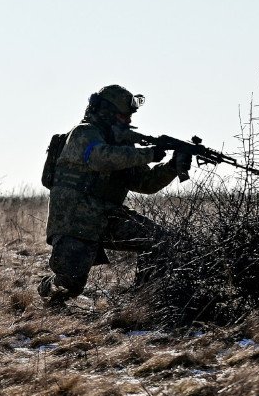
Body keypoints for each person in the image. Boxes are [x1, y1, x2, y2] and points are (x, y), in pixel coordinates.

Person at [39, 85, 192, 306]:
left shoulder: (122, 145)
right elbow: (100, 158)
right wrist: (149, 153)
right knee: (69, 284)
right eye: (123, 115)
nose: (128, 120)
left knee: (159, 241)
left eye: (129, 116)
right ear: (106, 112)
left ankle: (143, 303)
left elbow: (145, 183)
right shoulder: (83, 133)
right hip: (75, 220)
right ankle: (46, 288)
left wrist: (171, 166)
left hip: (107, 216)